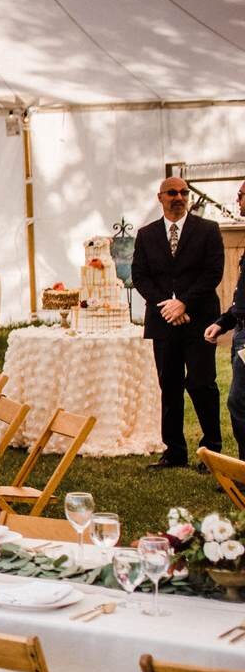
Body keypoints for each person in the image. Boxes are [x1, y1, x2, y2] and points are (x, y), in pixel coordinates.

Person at [134, 175, 225, 469]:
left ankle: (212, 449)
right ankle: (174, 451)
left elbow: (213, 273)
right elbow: (140, 276)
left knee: (201, 383)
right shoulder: (146, 235)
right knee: (169, 385)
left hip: (199, 319)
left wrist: (184, 302)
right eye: (172, 192)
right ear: (160, 197)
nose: (179, 197)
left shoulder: (208, 230)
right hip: (163, 321)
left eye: (183, 192)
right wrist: (167, 306)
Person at [205, 179, 245, 457]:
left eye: (242, 195)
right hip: (240, 330)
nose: (238, 200)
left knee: (239, 402)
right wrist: (224, 323)